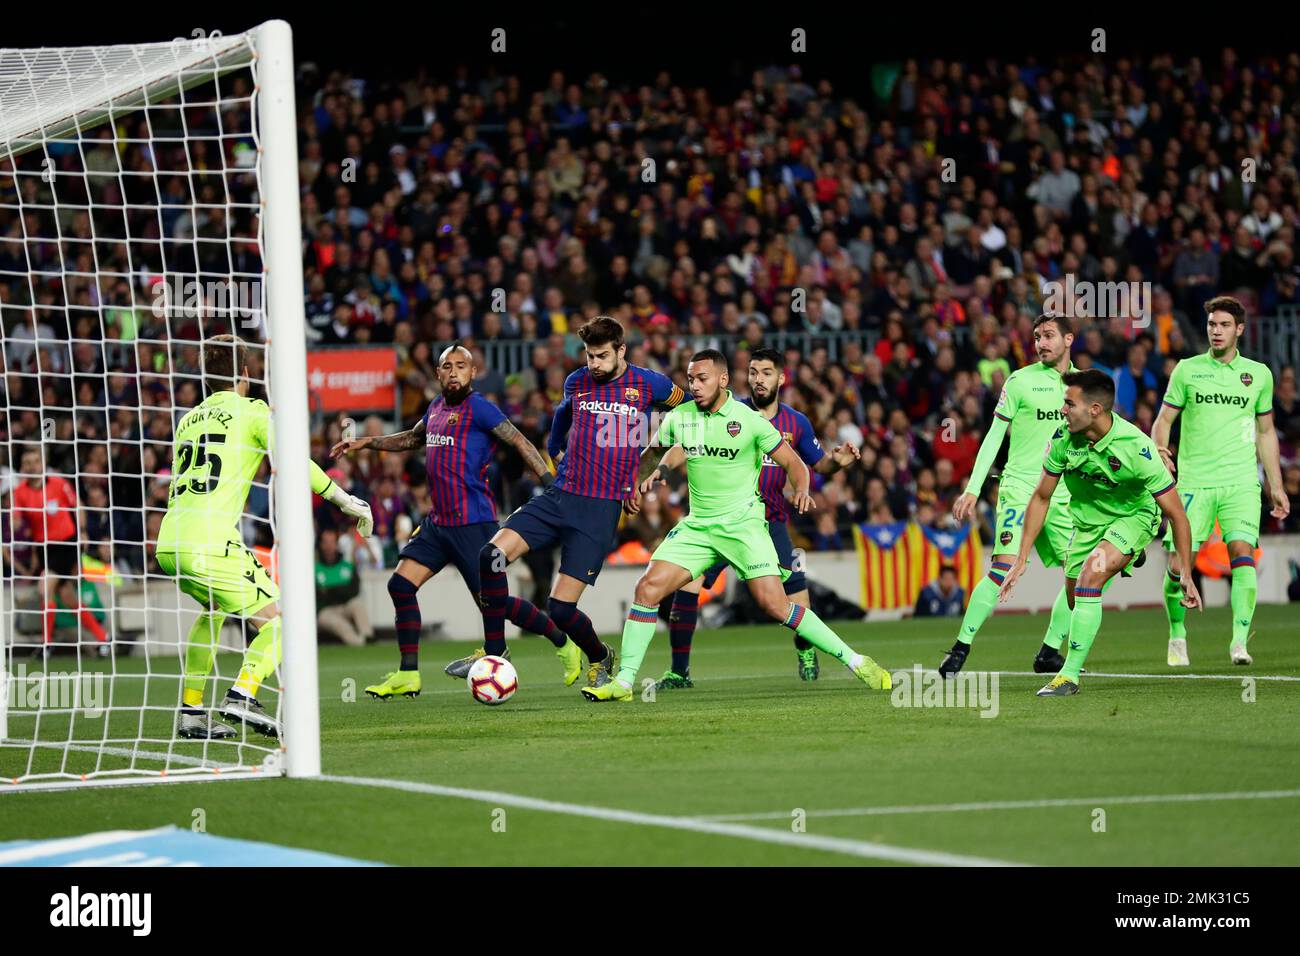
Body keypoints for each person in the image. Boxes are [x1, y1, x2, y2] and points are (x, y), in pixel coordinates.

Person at [582, 349, 890, 702]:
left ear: (723, 380)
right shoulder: (680, 417)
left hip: (744, 527)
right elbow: (654, 452)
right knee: (647, 588)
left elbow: (795, 464)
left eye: (702, 379)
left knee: (775, 606)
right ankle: (625, 683)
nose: (694, 386)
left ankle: (856, 661)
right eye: (691, 379)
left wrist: (802, 490)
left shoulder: (749, 420)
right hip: (699, 527)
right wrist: (636, 481)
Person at [442, 316, 686, 688]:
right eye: (589, 356)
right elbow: (560, 422)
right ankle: (496, 651)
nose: (595, 364)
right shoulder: (577, 382)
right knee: (489, 558)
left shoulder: (651, 384)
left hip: (600, 509)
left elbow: (685, 416)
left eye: (602, 356)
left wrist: (641, 473)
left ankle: (600, 655)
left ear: (621, 350)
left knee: (560, 608)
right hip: (560, 496)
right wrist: (556, 459)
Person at [331, 345, 579, 700]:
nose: (453, 372)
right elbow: (413, 439)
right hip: (438, 524)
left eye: (461, 366)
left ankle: (562, 641)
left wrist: (548, 483)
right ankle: (408, 674)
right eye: (447, 366)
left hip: (473, 524)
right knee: (400, 586)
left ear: (473, 372)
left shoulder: (480, 407)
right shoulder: (434, 408)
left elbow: (519, 440)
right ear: (437, 373)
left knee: (495, 603)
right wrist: (366, 442)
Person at [157, 335, 374, 740]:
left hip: (170, 541)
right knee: (284, 622)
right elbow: (293, 459)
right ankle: (242, 695)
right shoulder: (252, 412)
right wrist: (344, 500)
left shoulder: (187, 421)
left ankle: (191, 711)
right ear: (245, 372)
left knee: (213, 612)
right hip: (209, 541)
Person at [637, 347, 860, 688]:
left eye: (767, 372)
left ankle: (806, 649)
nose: (758, 379)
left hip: (769, 522)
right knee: (687, 586)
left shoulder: (795, 422)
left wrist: (836, 462)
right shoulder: (729, 410)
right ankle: (679, 671)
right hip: (718, 519)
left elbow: (814, 465)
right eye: (754, 372)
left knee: (794, 602)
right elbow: (686, 441)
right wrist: (659, 467)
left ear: (781, 378)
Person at [998, 369, 1203, 697]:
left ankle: (1068, 676)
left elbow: (1177, 514)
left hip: (1133, 517)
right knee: (1074, 597)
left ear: (1094, 409)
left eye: (1069, 404)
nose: (1062, 410)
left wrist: (1187, 573)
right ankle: (1115, 561)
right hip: (1087, 524)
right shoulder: (1063, 438)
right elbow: (1041, 496)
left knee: (1092, 575)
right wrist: (1021, 558)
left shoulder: (1136, 447)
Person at [1150, 296, 1289, 665]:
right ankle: (1177, 633)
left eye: (1224, 325)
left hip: (1241, 480)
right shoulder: (1187, 370)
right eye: (1212, 324)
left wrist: (1275, 485)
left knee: (1242, 553)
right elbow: (1163, 420)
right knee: (1180, 566)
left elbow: (1266, 432)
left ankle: (1239, 642)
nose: (1216, 330)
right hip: (1194, 482)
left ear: (1239, 330)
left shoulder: (1258, 374)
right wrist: (1160, 451)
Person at [943, 314, 1076, 678]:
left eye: (1049, 335)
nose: (1041, 343)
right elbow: (993, 436)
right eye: (1037, 336)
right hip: (1019, 489)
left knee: (1078, 577)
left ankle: (1049, 651)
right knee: (1002, 569)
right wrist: (973, 487)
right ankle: (959, 649)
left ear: (1069, 339)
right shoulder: (1019, 381)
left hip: (1063, 496)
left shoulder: (1082, 388)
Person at [10, 446, 108, 651]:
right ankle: (102, 638)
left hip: (66, 543)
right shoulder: (20, 492)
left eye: (35, 461)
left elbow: (77, 506)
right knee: (66, 596)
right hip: (44, 548)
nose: (32, 466)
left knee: (44, 587)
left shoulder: (58, 483)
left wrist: (82, 531)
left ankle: (47, 644)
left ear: (43, 463)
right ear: (22, 467)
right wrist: (15, 523)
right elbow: (15, 517)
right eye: (27, 463)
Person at [315, 527, 372, 647]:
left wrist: (330, 590)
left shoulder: (347, 566)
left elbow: (354, 590)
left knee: (357, 605)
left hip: (345, 605)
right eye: (326, 542)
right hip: (326, 611)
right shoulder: (314, 568)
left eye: (332, 542)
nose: (329, 546)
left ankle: (368, 636)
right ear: (320, 545)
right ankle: (358, 643)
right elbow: (318, 596)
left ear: (337, 544)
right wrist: (340, 589)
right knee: (336, 623)